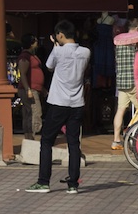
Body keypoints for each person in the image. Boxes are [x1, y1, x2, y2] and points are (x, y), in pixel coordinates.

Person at [26, 20, 90, 194]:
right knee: (73, 143)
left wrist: (56, 46)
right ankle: (73, 184)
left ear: (60, 35)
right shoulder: (86, 52)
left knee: (46, 141)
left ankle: (43, 181)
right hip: (76, 104)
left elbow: (49, 66)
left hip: (58, 103)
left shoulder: (58, 51)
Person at [111, 18, 138, 150]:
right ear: (137, 28)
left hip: (121, 82)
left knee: (120, 110)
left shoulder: (119, 41)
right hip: (133, 81)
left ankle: (116, 140)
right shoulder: (135, 41)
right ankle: (133, 133)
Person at [17, 34, 45, 138]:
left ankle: (29, 136)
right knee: (35, 112)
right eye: (36, 42)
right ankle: (32, 135)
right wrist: (27, 89)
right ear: (32, 43)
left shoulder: (32, 56)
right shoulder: (25, 57)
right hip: (30, 89)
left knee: (30, 113)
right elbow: (23, 73)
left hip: (35, 88)